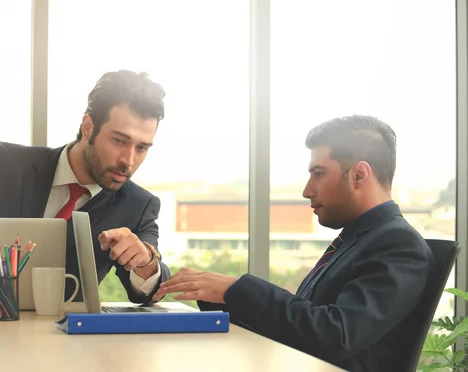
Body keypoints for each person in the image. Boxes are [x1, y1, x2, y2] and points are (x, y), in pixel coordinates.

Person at [153, 115, 434, 371]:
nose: (306, 190)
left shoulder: (398, 244)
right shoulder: (359, 239)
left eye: (319, 173)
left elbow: (335, 336)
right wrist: (222, 295)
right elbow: (302, 327)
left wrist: (237, 289)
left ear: (359, 175)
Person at [0, 70, 170, 304]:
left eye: (142, 147)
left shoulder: (137, 205)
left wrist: (146, 262)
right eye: (119, 141)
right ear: (88, 127)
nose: (129, 160)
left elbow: (148, 291)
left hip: (64, 347)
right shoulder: (1, 165)